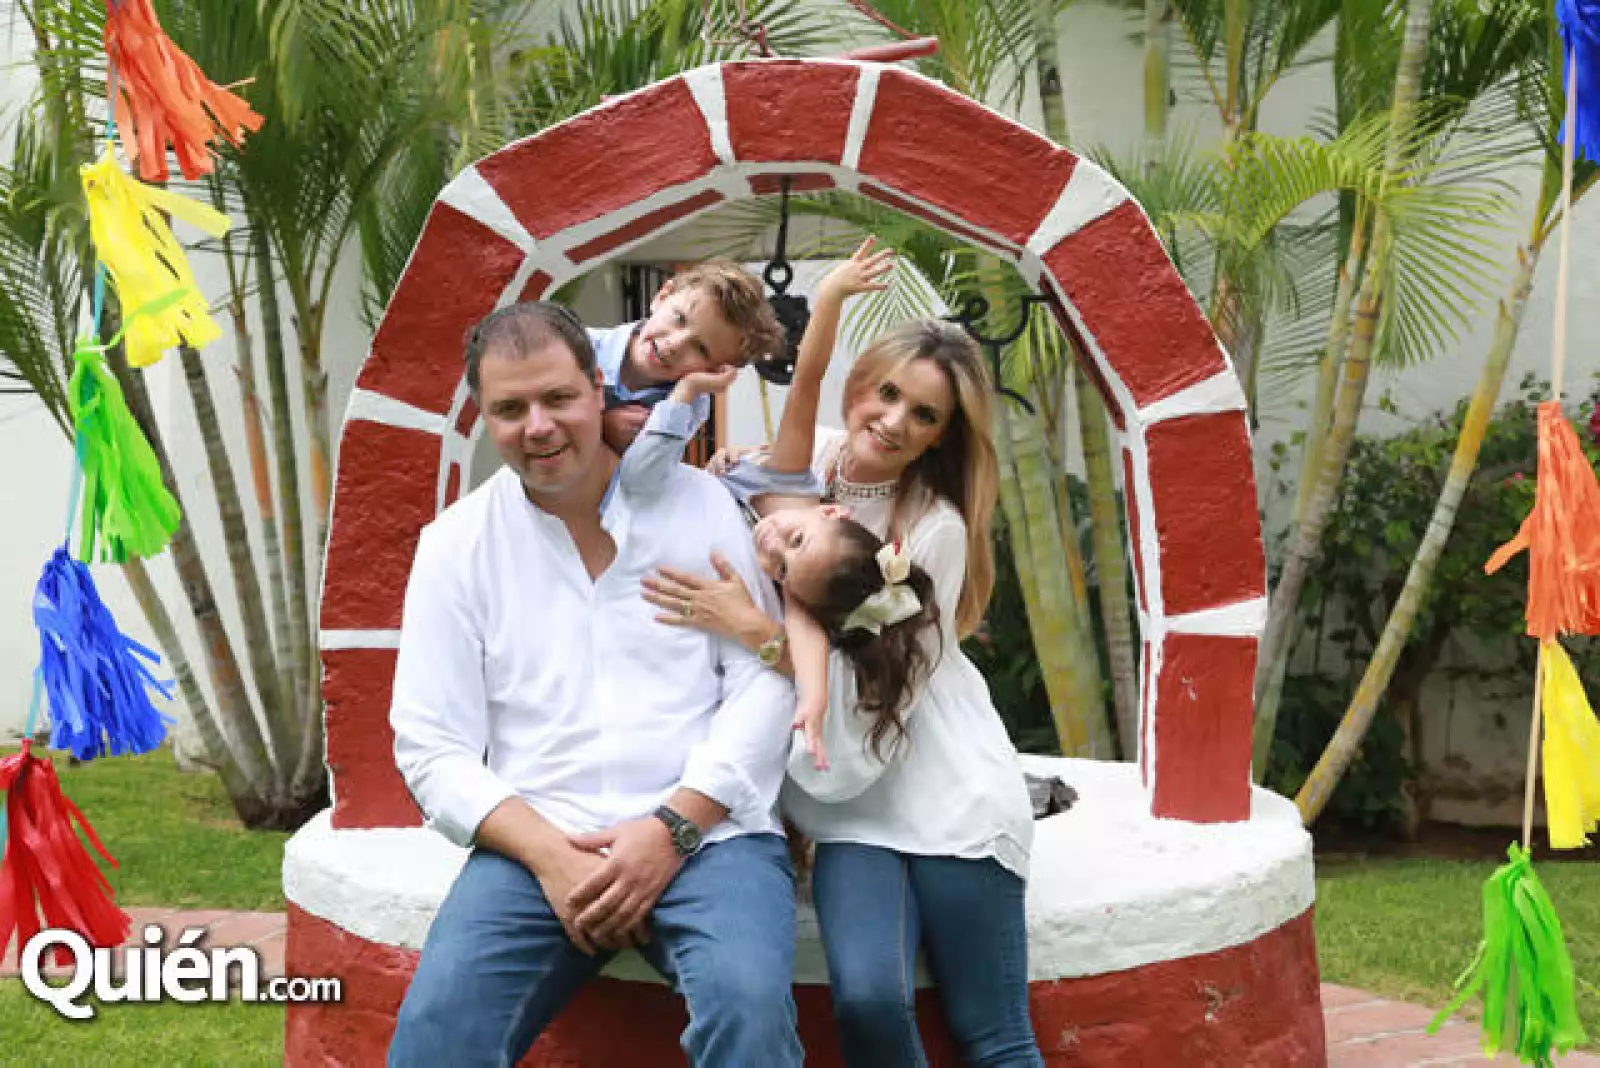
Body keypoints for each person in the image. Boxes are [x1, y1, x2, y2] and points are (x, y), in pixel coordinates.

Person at [385, 302, 804, 1068]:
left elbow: (765, 683)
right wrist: (551, 856)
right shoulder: (455, 548)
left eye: (558, 399)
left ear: (598, 390)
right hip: (541, 840)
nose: (538, 426)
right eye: (510, 409)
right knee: (435, 1041)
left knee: (747, 1013)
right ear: (485, 417)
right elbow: (430, 745)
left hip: (711, 835)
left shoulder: (701, 506)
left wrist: (671, 831)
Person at [641, 313, 1044, 1067]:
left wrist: (754, 633)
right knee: (866, 999)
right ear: (861, 385)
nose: (892, 421)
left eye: (923, 414)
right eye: (887, 393)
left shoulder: (935, 531)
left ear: (942, 436)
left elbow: (885, 692)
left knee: (992, 1032)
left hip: (939, 775)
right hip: (851, 799)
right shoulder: (805, 464)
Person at [630, 238, 909, 769]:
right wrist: (828, 297)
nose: (772, 548)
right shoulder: (788, 474)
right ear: (829, 510)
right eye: (796, 539)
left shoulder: (801, 574)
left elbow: (805, 632)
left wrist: (814, 699)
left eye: (782, 567)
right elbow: (808, 379)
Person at [588, 259, 785, 460]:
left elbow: (646, 476)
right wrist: (599, 427)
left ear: (714, 371)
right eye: (679, 319)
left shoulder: (689, 404)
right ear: (662, 297)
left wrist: (688, 388)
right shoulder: (577, 347)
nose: (674, 344)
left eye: (700, 349)